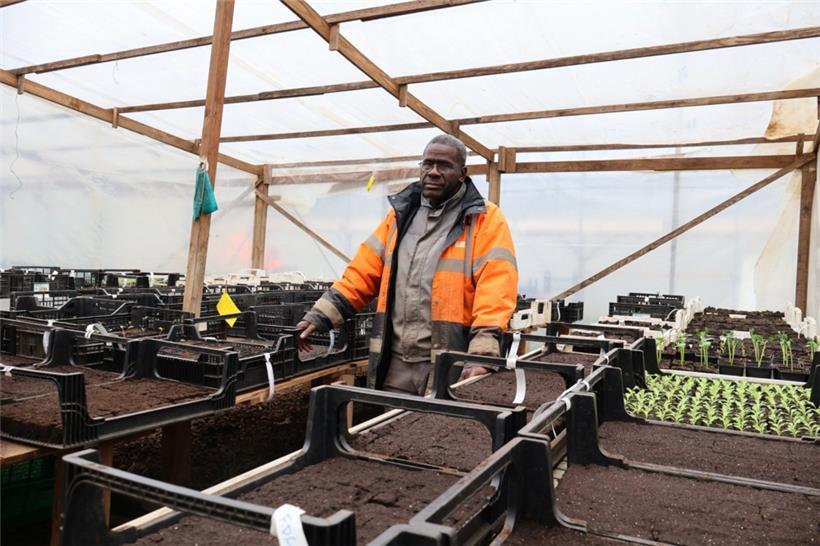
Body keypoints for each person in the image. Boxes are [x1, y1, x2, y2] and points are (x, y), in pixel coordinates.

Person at [297, 134, 518, 395]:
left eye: (444, 165)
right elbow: (363, 273)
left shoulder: (484, 219)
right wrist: (321, 315)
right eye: (427, 164)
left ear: (462, 173)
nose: (433, 172)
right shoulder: (401, 215)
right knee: (393, 419)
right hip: (396, 362)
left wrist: (481, 354)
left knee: (439, 420)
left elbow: (496, 289)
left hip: (450, 361)